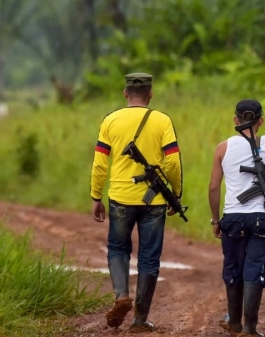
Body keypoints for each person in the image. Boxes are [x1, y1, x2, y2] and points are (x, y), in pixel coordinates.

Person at [90, 72, 184, 332]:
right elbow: (173, 161)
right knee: (149, 257)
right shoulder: (163, 121)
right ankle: (140, 319)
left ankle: (121, 296)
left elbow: (100, 163)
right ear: (150, 94)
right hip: (154, 200)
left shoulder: (110, 120)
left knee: (118, 249)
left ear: (125, 93)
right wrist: (175, 193)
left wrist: (96, 196)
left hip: (120, 197)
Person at [208, 99, 265, 336]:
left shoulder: (223, 148)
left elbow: (213, 187)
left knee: (233, 267)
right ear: (260, 121)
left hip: (232, 216)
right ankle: (250, 328)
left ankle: (234, 321)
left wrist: (216, 220)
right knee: (255, 268)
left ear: (236, 120)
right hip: (260, 217)